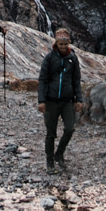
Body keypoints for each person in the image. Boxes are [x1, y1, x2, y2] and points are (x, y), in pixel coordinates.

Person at [37, 26, 81, 172]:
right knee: (51, 132)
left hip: (67, 100)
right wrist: (41, 100)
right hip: (51, 100)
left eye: (65, 44)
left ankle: (59, 153)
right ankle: (50, 161)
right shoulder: (49, 58)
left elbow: (76, 80)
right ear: (56, 43)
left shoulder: (73, 59)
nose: (63, 46)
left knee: (69, 128)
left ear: (69, 43)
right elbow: (42, 80)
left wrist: (78, 99)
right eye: (60, 44)